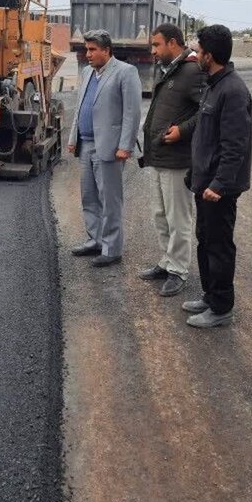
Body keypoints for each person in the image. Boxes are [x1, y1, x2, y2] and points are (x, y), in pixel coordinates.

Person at [183, 24, 252, 328]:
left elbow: (235, 146)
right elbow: (205, 137)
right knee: (204, 240)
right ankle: (210, 296)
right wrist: (195, 175)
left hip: (218, 188)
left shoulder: (233, 91)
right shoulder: (214, 84)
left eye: (198, 50)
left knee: (220, 246)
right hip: (205, 181)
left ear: (209, 56)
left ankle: (222, 308)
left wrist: (220, 185)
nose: (195, 54)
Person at [138, 23, 205, 297]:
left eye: (157, 45)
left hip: (177, 160)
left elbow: (207, 111)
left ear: (174, 44)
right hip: (158, 157)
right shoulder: (172, 70)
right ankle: (166, 262)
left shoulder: (192, 71)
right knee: (160, 215)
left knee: (179, 219)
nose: (153, 51)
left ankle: (178, 270)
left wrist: (182, 131)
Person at [66, 30, 142, 267]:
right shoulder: (88, 72)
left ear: (107, 50)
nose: (88, 54)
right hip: (86, 143)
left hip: (109, 147)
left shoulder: (125, 72)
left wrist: (125, 146)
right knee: (89, 196)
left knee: (110, 200)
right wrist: (72, 137)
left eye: (92, 50)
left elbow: (132, 112)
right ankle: (95, 239)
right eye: (86, 49)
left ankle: (112, 249)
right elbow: (80, 107)